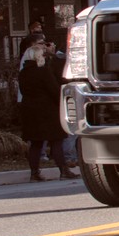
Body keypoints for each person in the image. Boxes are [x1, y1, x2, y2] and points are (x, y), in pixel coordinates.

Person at [18, 44, 80, 182]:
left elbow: (23, 91)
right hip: (47, 111)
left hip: (29, 110)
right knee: (56, 141)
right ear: (38, 57)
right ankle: (63, 170)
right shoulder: (43, 71)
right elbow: (54, 90)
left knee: (36, 143)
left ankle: (34, 173)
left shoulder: (23, 73)